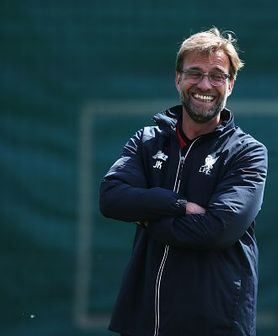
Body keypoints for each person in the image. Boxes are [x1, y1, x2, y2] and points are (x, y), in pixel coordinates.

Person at [99, 27, 267, 336]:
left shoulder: (248, 152)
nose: (205, 84)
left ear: (231, 84)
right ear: (178, 79)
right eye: (195, 73)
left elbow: (216, 230)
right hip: (143, 323)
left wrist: (146, 219)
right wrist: (176, 204)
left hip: (216, 326)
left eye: (217, 75)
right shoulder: (147, 141)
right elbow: (111, 197)